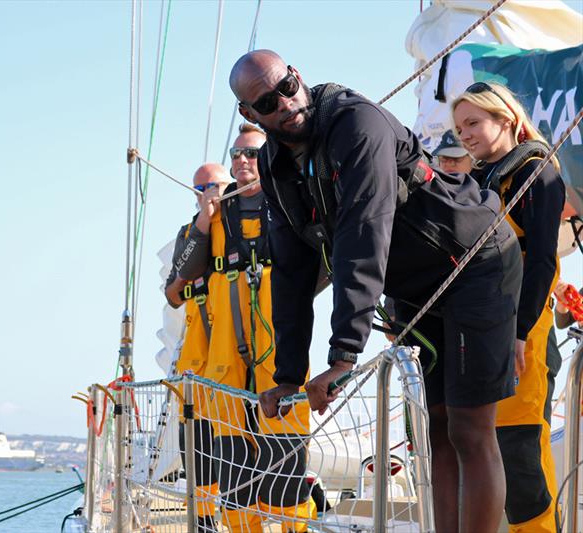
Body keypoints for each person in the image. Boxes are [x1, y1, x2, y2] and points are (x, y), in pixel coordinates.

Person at [229, 50, 523, 533]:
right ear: (250, 115)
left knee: (471, 428)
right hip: (413, 287)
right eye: (266, 102)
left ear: (297, 76)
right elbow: (291, 273)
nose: (284, 103)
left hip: (474, 264)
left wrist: (343, 356)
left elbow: (364, 234)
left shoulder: (356, 123)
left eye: (285, 87)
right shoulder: (275, 166)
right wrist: (287, 374)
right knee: (438, 430)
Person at [183, 124, 314, 532]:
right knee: (233, 463)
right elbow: (183, 275)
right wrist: (204, 223)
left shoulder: (293, 204)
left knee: (284, 458)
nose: (242, 160)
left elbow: (326, 262)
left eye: (252, 154)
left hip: (279, 346)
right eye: (236, 154)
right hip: (226, 352)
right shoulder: (214, 216)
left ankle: (295, 527)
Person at [453, 81, 566, 533]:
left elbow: (541, 261)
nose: (465, 135)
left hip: (524, 332)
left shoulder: (536, 173)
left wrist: (520, 332)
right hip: (485, 331)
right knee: (487, 445)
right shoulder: (480, 181)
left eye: (473, 123)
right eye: (460, 128)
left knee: (519, 447)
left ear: (507, 120)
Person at [164, 163, 231, 532]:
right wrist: (204, 224)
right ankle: (204, 520)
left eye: (215, 185)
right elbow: (175, 288)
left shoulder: (239, 225)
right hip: (198, 347)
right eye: (201, 187)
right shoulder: (189, 231)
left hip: (239, 343)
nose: (208, 192)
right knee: (197, 439)